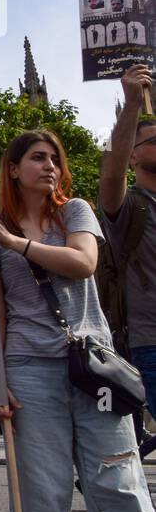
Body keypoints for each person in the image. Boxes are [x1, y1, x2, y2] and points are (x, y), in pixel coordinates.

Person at [0, 128, 156, 512]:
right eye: (39, 158)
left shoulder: (75, 213)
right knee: (43, 496)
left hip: (94, 365)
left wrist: (14, 242)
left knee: (120, 483)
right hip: (28, 369)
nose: (51, 167)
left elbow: (83, 264)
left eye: (55, 160)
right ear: (14, 169)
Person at [99, 64, 156, 450]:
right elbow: (110, 175)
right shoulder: (128, 207)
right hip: (149, 341)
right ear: (133, 157)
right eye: (153, 140)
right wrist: (133, 104)